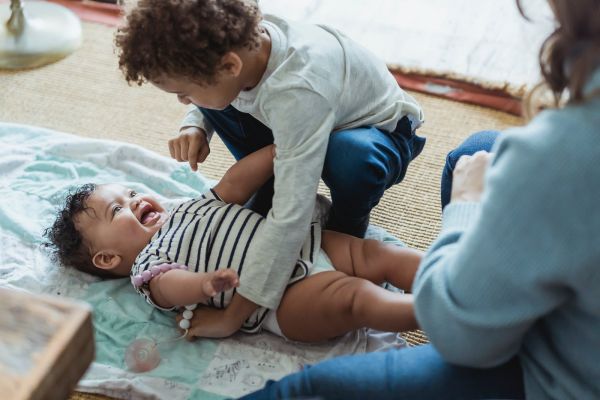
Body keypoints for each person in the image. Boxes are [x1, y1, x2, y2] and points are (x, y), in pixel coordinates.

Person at [238, 0, 600, 398]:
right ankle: (474, 286)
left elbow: (457, 340)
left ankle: (463, 294)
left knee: (308, 385)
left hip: (562, 378)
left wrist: (464, 207)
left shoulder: (559, 151)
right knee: (475, 152)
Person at [114, 0, 426, 320]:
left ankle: (348, 224)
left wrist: (235, 314)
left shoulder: (298, 88)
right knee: (215, 100)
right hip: (298, 117)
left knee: (348, 158)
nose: (182, 101)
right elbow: (211, 84)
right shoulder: (242, 43)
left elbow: (293, 211)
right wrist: (195, 123)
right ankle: (269, 180)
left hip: (380, 133)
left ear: (230, 66)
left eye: (183, 93)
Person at [45, 144, 422, 342]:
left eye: (129, 192)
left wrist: (274, 153)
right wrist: (203, 284)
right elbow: (169, 287)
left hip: (305, 243)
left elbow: (232, 186)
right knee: (356, 297)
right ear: (109, 258)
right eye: (118, 210)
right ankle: (435, 309)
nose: (135, 200)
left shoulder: (184, 208)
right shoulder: (148, 264)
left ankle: (451, 273)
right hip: (284, 297)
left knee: (376, 254)